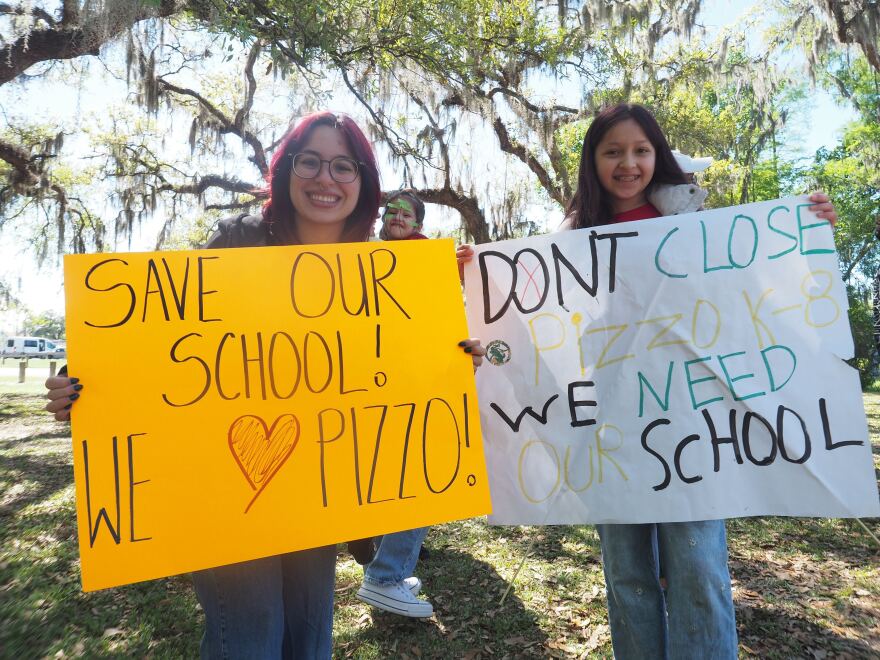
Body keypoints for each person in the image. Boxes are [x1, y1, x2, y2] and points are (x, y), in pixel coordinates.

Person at [45, 111, 486, 659]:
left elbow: (399, 375)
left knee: (310, 642)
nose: (326, 178)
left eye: (344, 166)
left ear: (363, 182)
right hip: (226, 496)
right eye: (311, 161)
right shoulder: (237, 241)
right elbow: (160, 342)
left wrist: (453, 363)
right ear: (286, 169)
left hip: (317, 494)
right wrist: (82, 385)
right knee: (249, 640)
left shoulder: (376, 269)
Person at [458, 103, 837, 660]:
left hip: (689, 424)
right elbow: (531, 323)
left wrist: (808, 229)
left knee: (698, 565)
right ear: (593, 161)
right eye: (612, 151)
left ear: (657, 156)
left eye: (640, 150)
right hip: (607, 427)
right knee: (627, 573)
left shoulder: (694, 224)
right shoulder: (563, 242)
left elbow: (753, 290)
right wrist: (484, 289)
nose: (628, 163)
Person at [356, 189, 433, 618]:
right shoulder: (360, 257)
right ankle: (385, 573)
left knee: (421, 474)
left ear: (418, 225)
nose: (398, 216)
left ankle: (389, 571)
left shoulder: (430, 261)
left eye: (407, 213)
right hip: (369, 384)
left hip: (415, 383)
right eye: (392, 211)